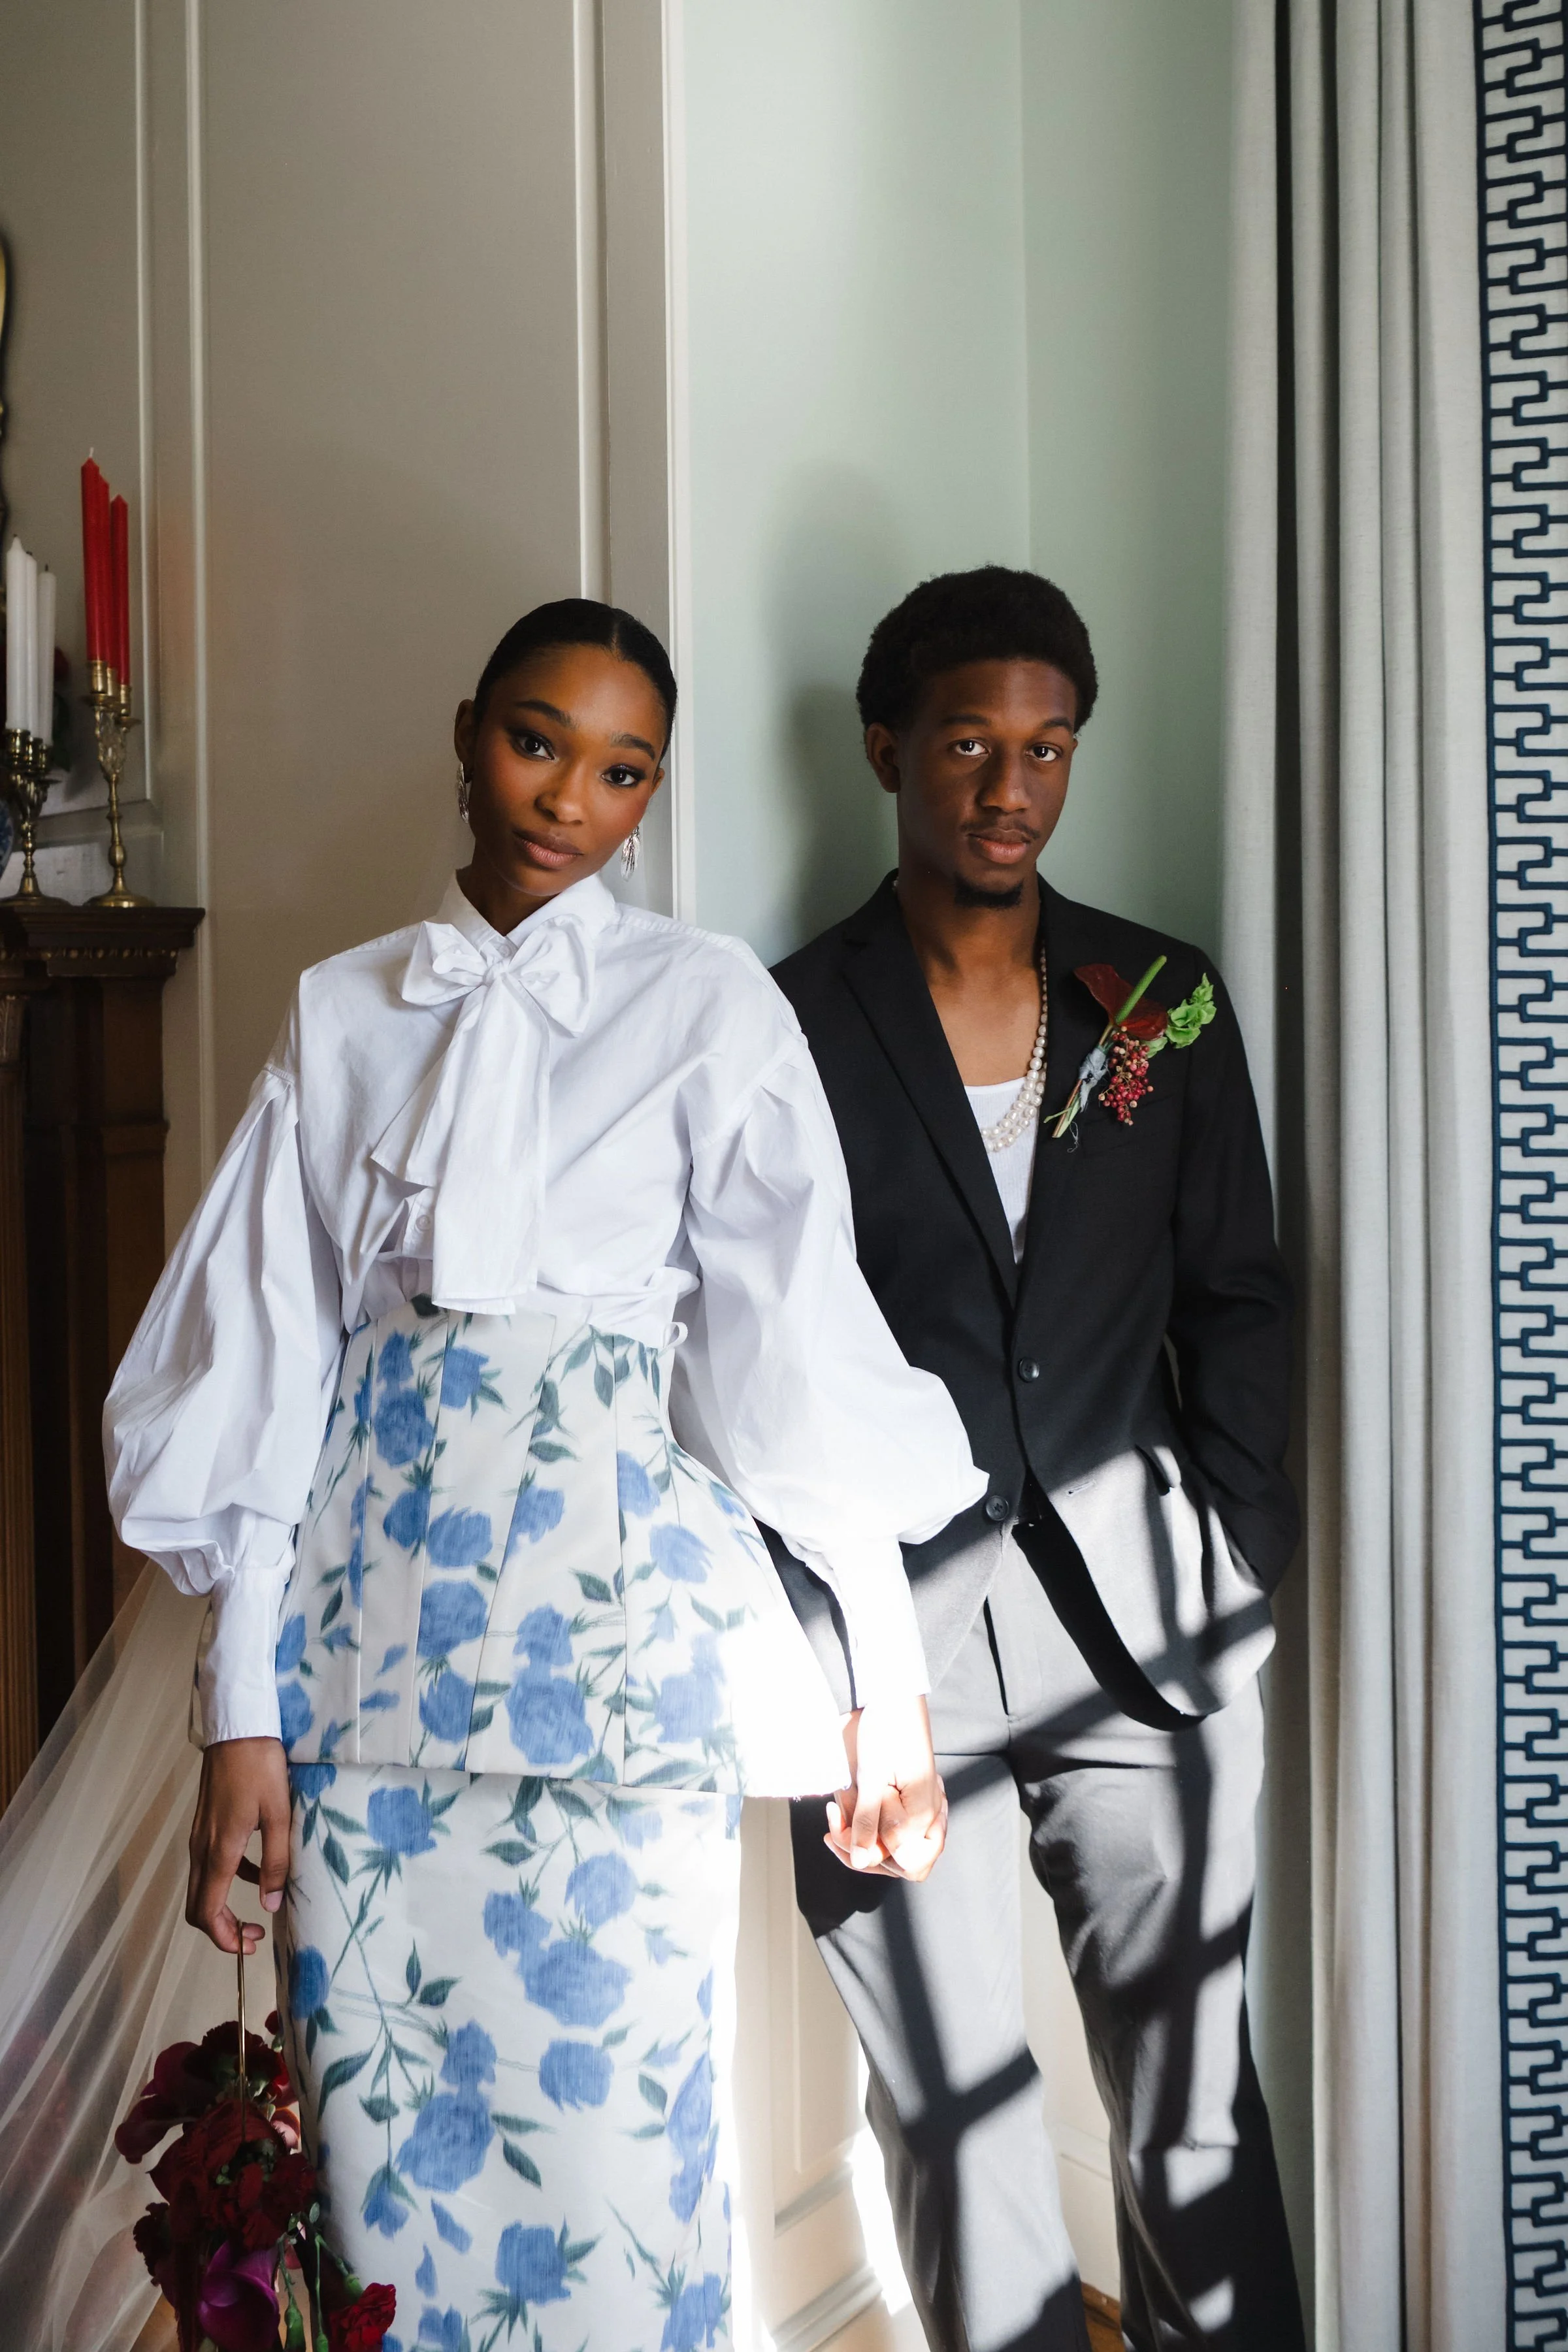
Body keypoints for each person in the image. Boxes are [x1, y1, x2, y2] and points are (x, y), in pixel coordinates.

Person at [101, 598, 986, 2352]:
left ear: (652, 795)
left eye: (620, 769)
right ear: (463, 731)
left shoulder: (704, 1002)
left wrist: (889, 1690)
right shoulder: (342, 1012)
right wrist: (237, 1716)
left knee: (626, 2175)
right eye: (533, 739)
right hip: (361, 1672)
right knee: (380, 2200)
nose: (566, 795)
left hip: (615, 1673)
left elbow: (788, 1364)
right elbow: (272, 1377)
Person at [768, 566, 1305, 2352]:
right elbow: (761, 1360)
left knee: (1197, 2122)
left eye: (1048, 748)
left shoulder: (1161, 998)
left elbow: (1240, 1295)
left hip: (1147, 1638)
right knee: (960, 2131)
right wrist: (826, 1657)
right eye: (971, 745)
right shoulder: (777, 1026)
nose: (1012, 786)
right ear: (886, 749)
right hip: (888, 1667)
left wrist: (1235, 1559)